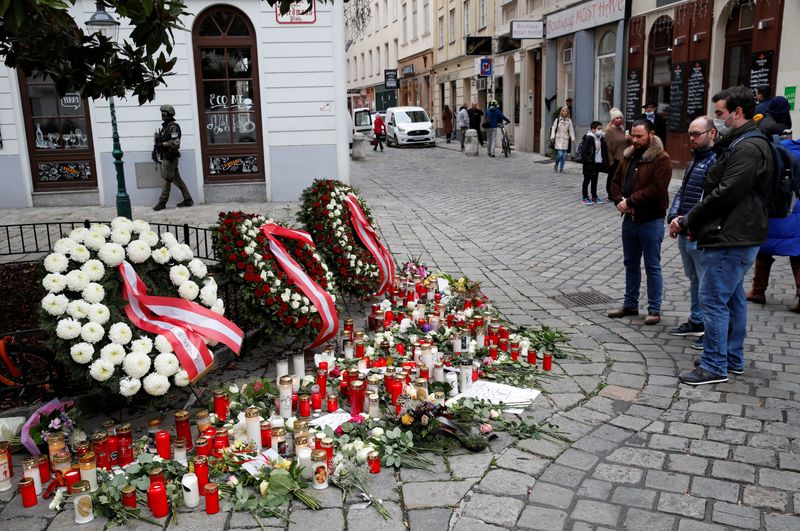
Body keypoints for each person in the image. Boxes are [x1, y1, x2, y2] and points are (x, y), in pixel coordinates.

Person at [679, 86, 774, 386]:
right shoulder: (742, 142)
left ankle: (714, 365)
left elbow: (725, 193)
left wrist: (691, 218)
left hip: (732, 235)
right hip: (736, 233)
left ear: (737, 112)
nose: (717, 120)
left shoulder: (748, 147)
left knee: (713, 299)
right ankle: (730, 357)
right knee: (732, 299)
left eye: (719, 114)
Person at [608, 119, 672, 325]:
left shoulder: (661, 159)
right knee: (630, 263)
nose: (634, 140)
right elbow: (615, 181)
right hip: (629, 219)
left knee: (652, 265)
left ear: (651, 135)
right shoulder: (628, 156)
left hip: (650, 220)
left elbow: (656, 189)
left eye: (639, 136)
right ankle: (630, 304)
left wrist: (630, 201)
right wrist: (619, 201)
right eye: (632, 135)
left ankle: (654, 308)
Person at [667, 116, 718, 340]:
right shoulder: (693, 161)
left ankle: (709, 329)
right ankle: (697, 320)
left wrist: (685, 220)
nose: (692, 138)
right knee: (694, 279)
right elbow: (682, 192)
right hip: (685, 228)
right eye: (690, 134)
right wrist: (673, 216)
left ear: (712, 134)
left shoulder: (715, 162)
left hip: (699, 232)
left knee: (707, 283)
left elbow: (707, 200)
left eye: (696, 134)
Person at [153, 105, 193, 211]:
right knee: (177, 179)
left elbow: (175, 143)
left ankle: (162, 202)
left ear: (170, 113)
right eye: (162, 112)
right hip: (167, 157)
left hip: (170, 157)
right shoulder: (166, 127)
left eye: (164, 112)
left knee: (166, 179)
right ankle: (188, 199)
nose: (162, 114)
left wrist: (163, 144)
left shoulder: (173, 127)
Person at [577, 121, 608, 204]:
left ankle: (594, 196)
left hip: (597, 163)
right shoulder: (589, 138)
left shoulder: (600, 138)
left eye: (601, 128)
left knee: (595, 181)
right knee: (587, 180)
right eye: (598, 129)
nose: (600, 130)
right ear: (593, 129)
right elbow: (584, 152)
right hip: (589, 164)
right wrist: (589, 160)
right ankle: (585, 197)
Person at [604, 108, 629, 199]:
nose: (619, 119)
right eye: (617, 118)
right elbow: (608, 147)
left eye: (620, 118)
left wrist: (629, 139)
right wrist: (610, 160)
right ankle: (610, 193)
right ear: (613, 120)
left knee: (621, 177)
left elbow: (626, 143)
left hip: (623, 158)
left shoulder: (622, 129)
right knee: (612, 177)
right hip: (614, 159)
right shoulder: (609, 130)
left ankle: (619, 193)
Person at [549, 105, 575, 173]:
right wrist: (552, 137)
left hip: (565, 140)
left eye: (566, 111)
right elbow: (553, 129)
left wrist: (573, 138)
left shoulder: (569, 121)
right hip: (558, 139)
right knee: (560, 155)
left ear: (567, 112)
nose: (564, 112)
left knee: (563, 156)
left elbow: (571, 130)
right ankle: (556, 164)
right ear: (561, 112)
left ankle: (561, 168)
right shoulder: (557, 120)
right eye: (563, 111)